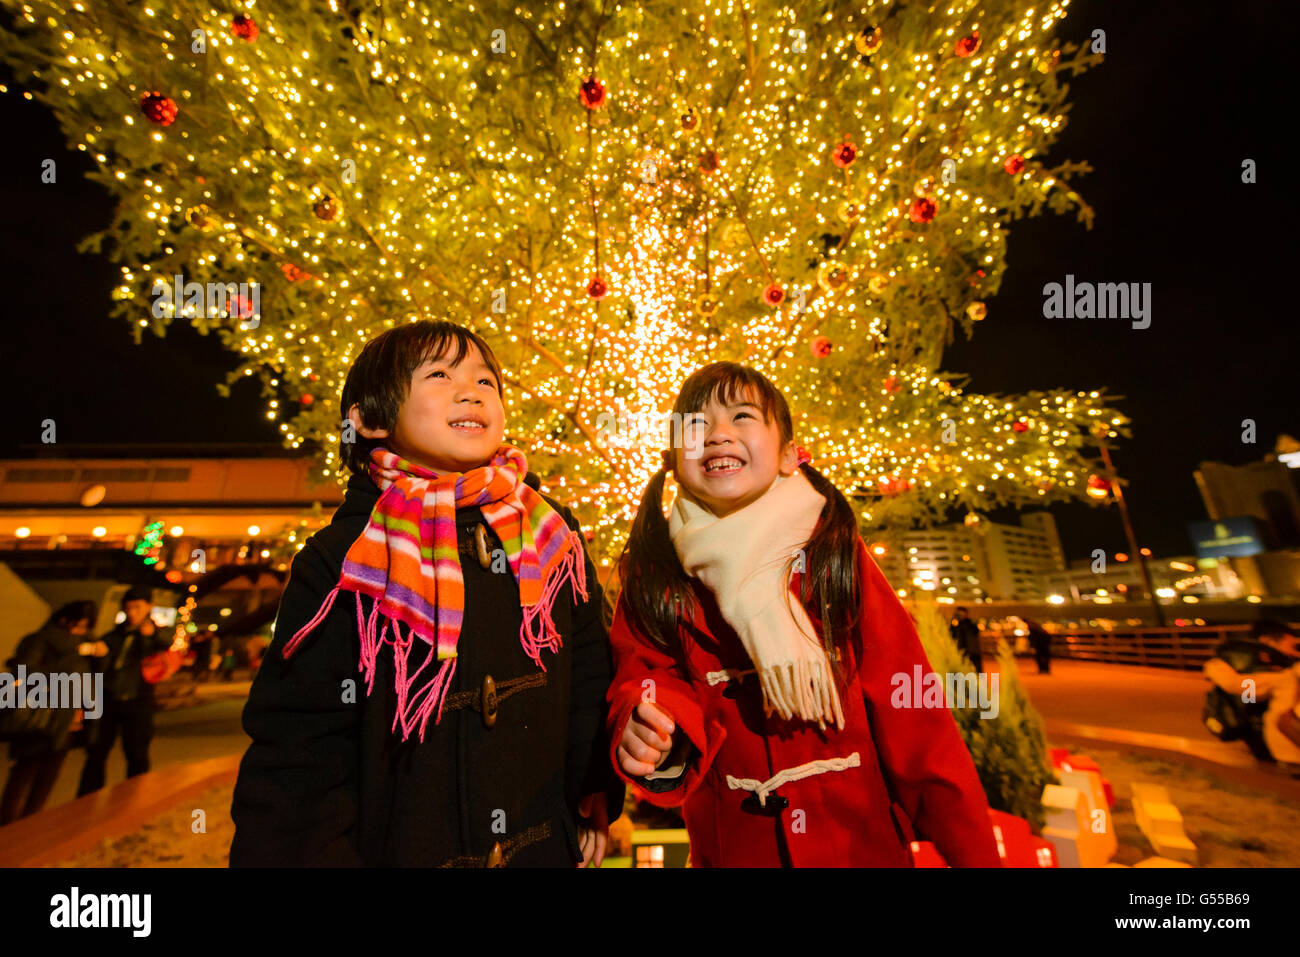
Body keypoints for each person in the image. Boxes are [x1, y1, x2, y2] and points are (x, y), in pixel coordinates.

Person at [229, 320, 622, 867]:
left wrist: (592, 788)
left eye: (486, 381)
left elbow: (586, 676)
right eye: (439, 374)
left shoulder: (548, 534)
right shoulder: (346, 559)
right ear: (366, 418)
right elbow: (299, 754)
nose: (471, 391)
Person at [606, 362, 1001, 867]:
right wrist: (651, 723)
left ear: (791, 455)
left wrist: (976, 857)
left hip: (862, 848)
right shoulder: (653, 571)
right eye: (697, 425)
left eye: (742, 416)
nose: (719, 434)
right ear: (671, 457)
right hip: (734, 852)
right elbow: (643, 674)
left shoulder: (835, 554)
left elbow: (917, 721)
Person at [1, 601, 103, 825]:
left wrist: (98, 656)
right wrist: (75, 653)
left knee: (48, 776)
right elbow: (25, 672)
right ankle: (8, 828)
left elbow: (93, 678)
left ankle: (30, 825)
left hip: (69, 718)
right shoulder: (40, 640)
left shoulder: (88, 645)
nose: (81, 632)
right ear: (64, 620)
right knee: (24, 772)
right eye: (78, 626)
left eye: (86, 627)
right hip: (39, 715)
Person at [76, 588, 169, 796]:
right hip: (108, 700)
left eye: (137, 607)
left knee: (136, 753)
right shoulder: (114, 635)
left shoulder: (157, 636)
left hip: (138, 701)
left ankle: (134, 799)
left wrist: (148, 636)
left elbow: (159, 654)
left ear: (149, 607)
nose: (132, 612)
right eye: (128, 608)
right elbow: (99, 664)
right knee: (96, 752)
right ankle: (87, 800)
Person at [1204, 619, 1300, 769]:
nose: (1294, 653)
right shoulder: (1288, 673)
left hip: (1289, 753)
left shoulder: (1284, 677)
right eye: (1293, 647)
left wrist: (1215, 666)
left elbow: (1240, 689)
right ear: (1267, 642)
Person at [950, 606, 984, 673]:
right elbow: (951, 635)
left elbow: (975, 632)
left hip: (972, 653)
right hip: (960, 653)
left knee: (975, 673)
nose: (960, 616)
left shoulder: (969, 624)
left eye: (962, 614)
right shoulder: (955, 625)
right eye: (958, 614)